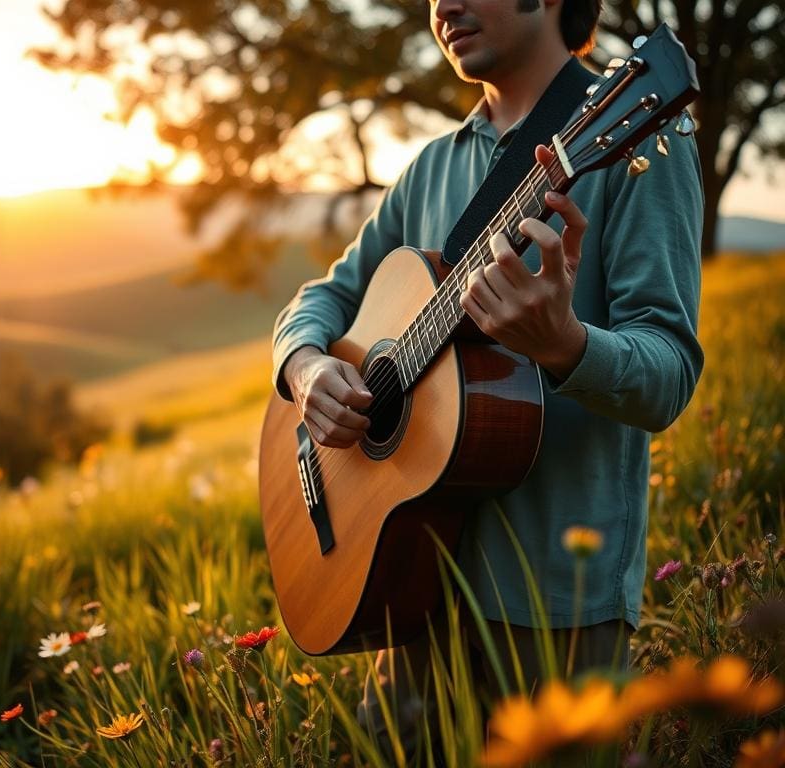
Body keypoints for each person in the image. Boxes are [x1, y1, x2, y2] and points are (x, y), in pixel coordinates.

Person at [270, 0, 704, 757]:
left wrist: (566, 345)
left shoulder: (641, 132)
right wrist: (305, 369)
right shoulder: (431, 168)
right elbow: (324, 297)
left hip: (556, 611)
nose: (444, 6)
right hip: (406, 591)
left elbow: (667, 371)